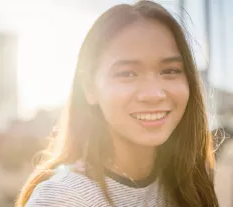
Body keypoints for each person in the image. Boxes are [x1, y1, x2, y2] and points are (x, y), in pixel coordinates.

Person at [16, 1, 219, 206]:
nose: (154, 94)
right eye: (128, 73)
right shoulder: (62, 198)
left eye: (170, 70)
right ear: (90, 89)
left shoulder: (191, 181)